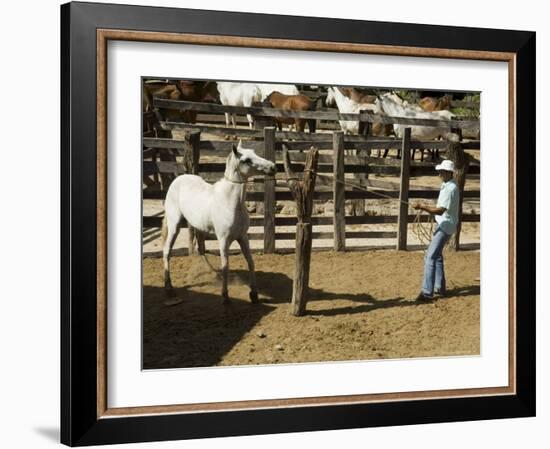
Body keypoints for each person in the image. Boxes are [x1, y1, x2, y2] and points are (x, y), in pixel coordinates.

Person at [413, 159, 459, 302]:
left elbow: (440, 210)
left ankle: (427, 293)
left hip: (445, 225)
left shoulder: (450, 188)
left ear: (448, 172)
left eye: (441, 171)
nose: (439, 173)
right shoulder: (448, 185)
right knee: (437, 256)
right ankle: (440, 287)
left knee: (430, 257)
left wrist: (422, 207)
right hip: (446, 224)